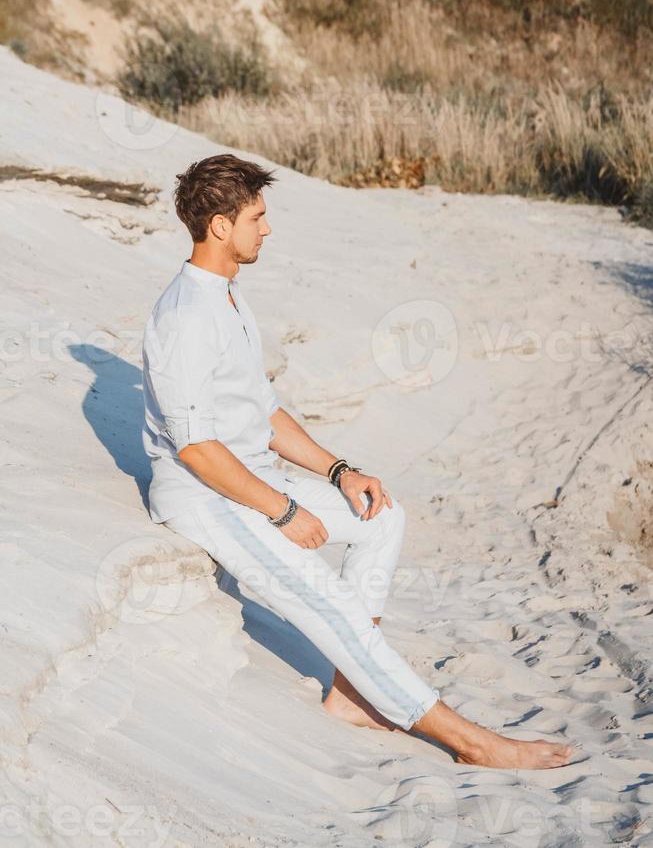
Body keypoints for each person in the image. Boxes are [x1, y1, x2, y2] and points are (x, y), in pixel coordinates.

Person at [141, 153, 574, 769]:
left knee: (381, 515)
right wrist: (283, 509)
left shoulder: (229, 300)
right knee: (333, 602)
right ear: (219, 226)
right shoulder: (185, 316)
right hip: (207, 496)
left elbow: (263, 412)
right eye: (257, 217)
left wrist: (340, 472)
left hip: (251, 477)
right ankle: (473, 743)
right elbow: (195, 448)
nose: (267, 229)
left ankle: (350, 693)